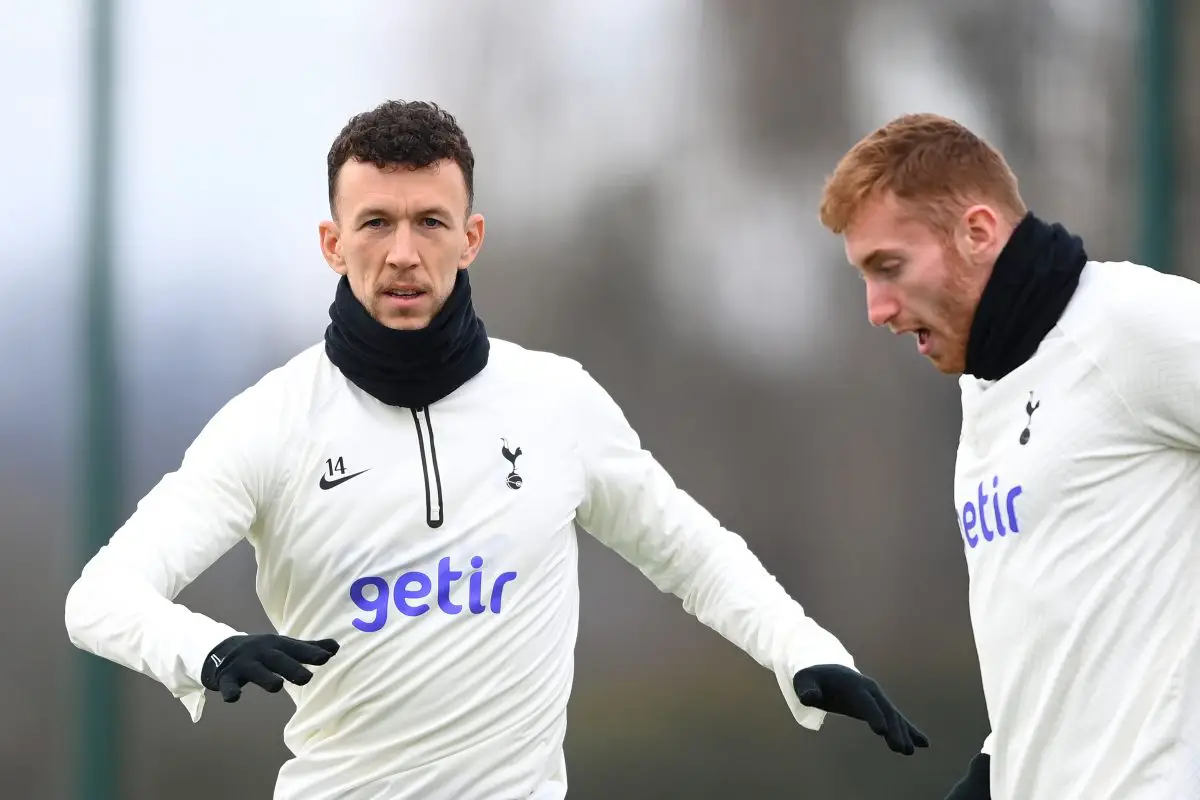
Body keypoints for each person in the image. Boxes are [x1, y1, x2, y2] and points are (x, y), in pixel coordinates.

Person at [64, 100, 927, 800]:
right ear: (332, 244)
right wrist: (205, 651)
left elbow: (693, 555)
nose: (404, 253)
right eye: (375, 223)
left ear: (470, 237)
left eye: (430, 221)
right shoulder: (273, 421)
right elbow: (99, 597)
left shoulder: (557, 402)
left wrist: (803, 649)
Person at [818, 111, 1200, 800]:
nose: (876, 308)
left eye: (890, 267)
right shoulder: (985, 390)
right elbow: (1055, 667)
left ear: (978, 232)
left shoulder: (1128, 325)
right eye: (864, 277)